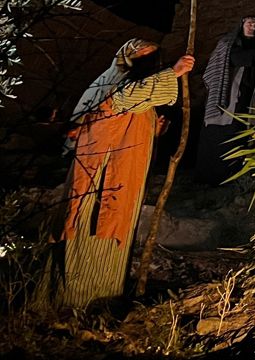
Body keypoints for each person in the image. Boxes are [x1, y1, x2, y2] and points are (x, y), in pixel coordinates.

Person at [46, 38, 194, 308]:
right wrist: (173, 73)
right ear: (126, 59)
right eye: (142, 59)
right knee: (92, 222)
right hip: (100, 176)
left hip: (125, 176)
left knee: (117, 223)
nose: (148, 65)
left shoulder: (138, 92)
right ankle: (74, 299)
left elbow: (133, 117)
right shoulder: (114, 84)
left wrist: (154, 130)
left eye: (153, 59)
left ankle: (106, 293)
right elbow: (125, 100)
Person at [196, 16, 255, 184]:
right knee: (221, 134)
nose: (252, 27)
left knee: (242, 133)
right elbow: (233, 58)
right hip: (227, 96)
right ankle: (210, 179)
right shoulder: (227, 43)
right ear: (241, 25)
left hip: (249, 97)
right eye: (249, 23)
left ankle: (236, 178)